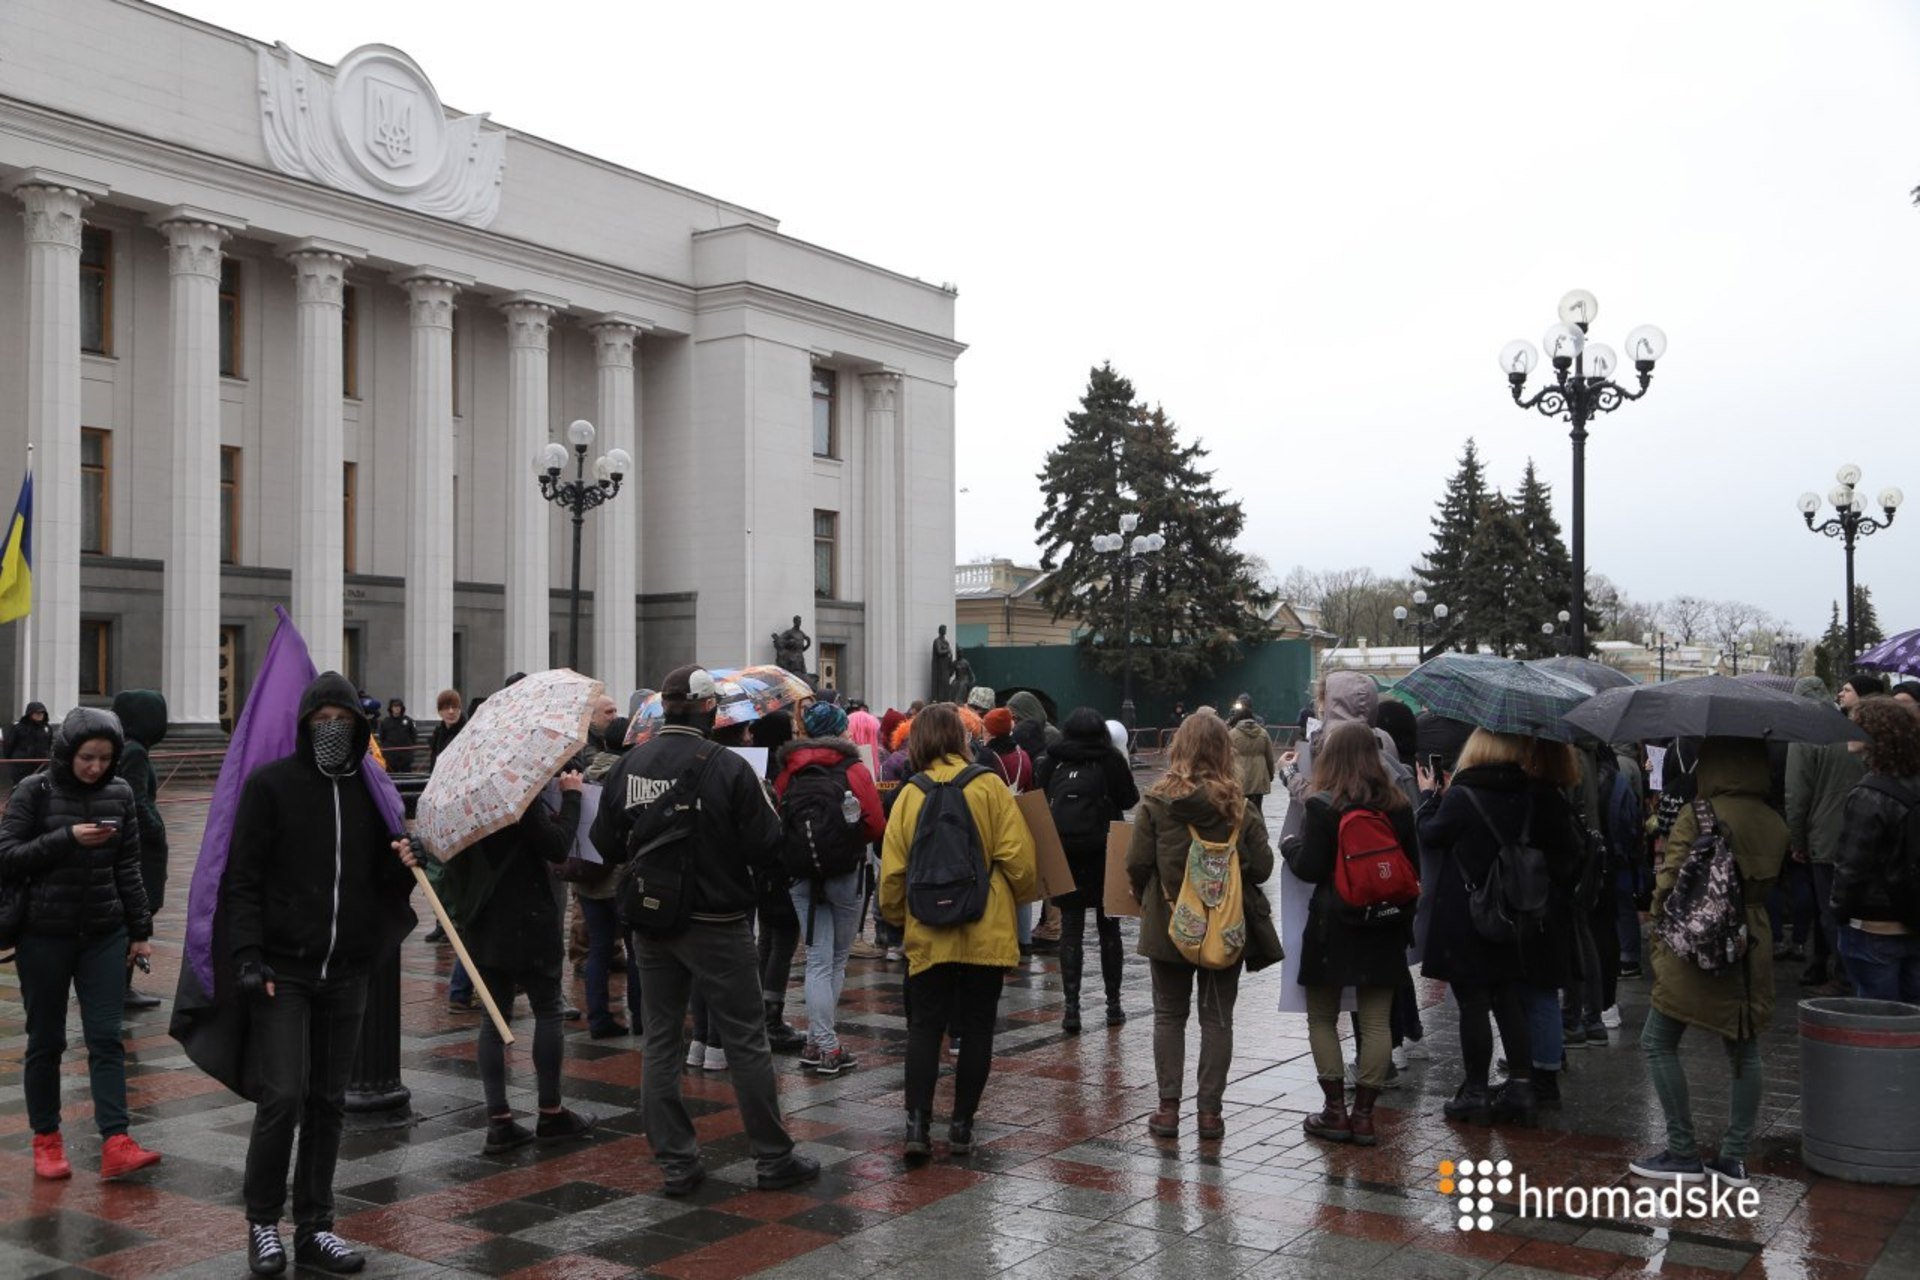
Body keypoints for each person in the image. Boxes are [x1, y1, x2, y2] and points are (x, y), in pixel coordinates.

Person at [589, 665, 819, 1197]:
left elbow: (605, 843)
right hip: (718, 921)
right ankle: (772, 1156)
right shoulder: (729, 767)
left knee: (661, 1040)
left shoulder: (629, 764)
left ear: (662, 709)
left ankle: (676, 1162)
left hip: (651, 920)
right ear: (711, 710)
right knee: (745, 1039)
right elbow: (768, 847)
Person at [226, 672, 416, 1275]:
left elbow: (382, 884)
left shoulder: (370, 792)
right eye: (321, 720)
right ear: (305, 724)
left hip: (347, 971)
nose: (332, 729)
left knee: (328, 1101)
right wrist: (248, 955)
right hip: (284, 970)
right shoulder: (271, 786)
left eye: (343, 720)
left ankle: (315, 1225)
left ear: (359, 726)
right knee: (282, 1096)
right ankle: (263, 1222)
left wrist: (407, 862)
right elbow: (242, 878)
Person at [0, 707, 162, 1182]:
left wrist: (140, 931)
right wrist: (66, 838)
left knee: (106, 1037)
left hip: (104, 933)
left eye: (105, 758)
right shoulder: (35, 791)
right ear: (67, 751)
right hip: (43, 934)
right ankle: (46, 1138)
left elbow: (128, 865)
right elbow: (6, 856)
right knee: (46, 1039)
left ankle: (116, 1139)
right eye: (87, 757)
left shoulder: (120, 792)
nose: (95, 767)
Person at [410, 768, 597, 1153]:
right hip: (529, 917)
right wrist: (572, 796)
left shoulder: (463, 801)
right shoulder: (515, 794)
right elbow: (557, 846)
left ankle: (499, 1121)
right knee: (548, 1010)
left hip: (483, 924)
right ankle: (551, 1112)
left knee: (493, 1020)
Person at [879, 703, 1038, 1158]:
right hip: (986, 929)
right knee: (978, 1029)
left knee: (924, 1028)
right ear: (960, 739)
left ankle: (917, 1128)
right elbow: (1022, 866)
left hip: (929, 932)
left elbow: (892, 875)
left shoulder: (910, 794)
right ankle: (962, 1128)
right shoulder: (989, 787)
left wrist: (899, 919)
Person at [1631, 737, 1787, 1188]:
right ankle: (1734, 1157)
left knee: (1658, 1040)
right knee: (1744, 1047)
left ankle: (1682, 1150)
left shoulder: (1698, 813)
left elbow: (1671, 880)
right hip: (1750, 940)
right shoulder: (1774, 821)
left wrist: (1659, 926)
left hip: (1697, 939)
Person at [1416, 729, 1580, 1128]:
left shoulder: (1463, 795)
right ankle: (1522, 1087)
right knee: (1507, 996)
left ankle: (1475, 1092)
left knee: (1473, 1002)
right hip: (1511, 911)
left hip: (1467, 912)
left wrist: (1429, 798)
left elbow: (1432, 834)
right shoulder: (1528, 793)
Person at [1126, 713, 1273, 1141]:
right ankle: (1210, 1115)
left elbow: (1136, 863)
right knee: (1217, 1019)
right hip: (1225, 927)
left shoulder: (1156, 801)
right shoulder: (1239, 805)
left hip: (1169, 923)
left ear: (1180, 748)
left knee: (1169, 1016)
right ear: (1225, 751)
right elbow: (1263, 868)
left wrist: (1145, 893)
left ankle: (1168, 1111)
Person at [1284, 720, 1418, 1146]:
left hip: (1333, 926)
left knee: (1323, 1017)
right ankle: (1363, 1116)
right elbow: (1412, 868)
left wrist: (1290, 845)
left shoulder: (1323, 806)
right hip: (1385, 923)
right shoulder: (1398, 806)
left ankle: (1334, 1111)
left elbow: (1309, 867)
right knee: (1376, 1020)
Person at [773, 701, 886, 1075]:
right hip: (844, 872)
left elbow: (778, 820)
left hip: (801, 875)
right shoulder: (854, 769)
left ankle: (816, 1041)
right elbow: (876, 825)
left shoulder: (788, 770)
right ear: (840, 731)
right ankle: (826, 1045)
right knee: (835, 960)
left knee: (816, 958)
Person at [1035, 706, 1138, 1032]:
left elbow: (1039, 796)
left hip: (1065, 853)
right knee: (1109, 930)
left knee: (1071, 931)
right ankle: (1113, 1006)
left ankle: (1071, 1010)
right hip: (1105, 851)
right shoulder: (1110, 760)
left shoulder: (1054, 759)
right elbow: (1129, 799)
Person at [1830, 696, 1920, 1001]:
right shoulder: (1910, 784)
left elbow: (1852, 866)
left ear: (1873, 734)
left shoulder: (1869, 794)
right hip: (1912, 918)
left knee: (1877, 1017)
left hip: (1873, 924)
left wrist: (1839, 911)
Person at [1787, 678, 1868, 995]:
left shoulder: (1804, 732)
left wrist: (1797, 840)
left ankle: (1846, 978)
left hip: (1824, 835)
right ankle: (1834, 969)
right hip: (1859, 830)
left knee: (1829, 911)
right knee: (1850, 911)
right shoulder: (1850, 726)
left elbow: (1797, 793)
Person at [111, 689, 169, 1011]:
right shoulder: (134, 751)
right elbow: (135, 798)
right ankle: (119, 987)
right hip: (141, 850)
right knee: (136, 913)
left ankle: (117, 985)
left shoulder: (129, 747)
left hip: (134, 846)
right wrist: (156, 828)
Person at [1228, 706, 1276, 813]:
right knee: (1257, 809)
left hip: (1240, 777)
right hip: (1259, 776)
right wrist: (1271, 774)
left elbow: (1227, 757)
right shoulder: (1263, 733)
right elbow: (1269, 757)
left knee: (1240, 810)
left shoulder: (1232, 734)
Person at [975, 707, 1033, 793]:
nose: (983, 737)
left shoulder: (987, 758)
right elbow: (1029, 788)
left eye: (984, 732)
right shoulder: (1023, 756)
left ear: (991, 734)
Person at [4, 700, 52, 785]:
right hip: (21, 766)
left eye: (42, 713)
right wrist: (13, 760)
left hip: (41, 765)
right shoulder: (18, 728)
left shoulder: (47, 728)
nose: (40, 715)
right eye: (37, 713)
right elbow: (9, 745)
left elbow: (49, 744)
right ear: (30, 714)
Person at [427, 689, 465, 772]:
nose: (451, 712)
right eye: (446, 708)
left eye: (454, 707)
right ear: (439, 712)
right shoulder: (438, 733)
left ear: (460, 710)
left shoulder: (467, 732)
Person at [375, 699, 417, 771]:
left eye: (399, 706)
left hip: (405, 755)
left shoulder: (408, 720)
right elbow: (382, 737)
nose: (397, 708)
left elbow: (413, 735)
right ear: (391, 708)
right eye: (395, 706)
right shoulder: (385, 721)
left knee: (406, 774)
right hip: (390, 755)